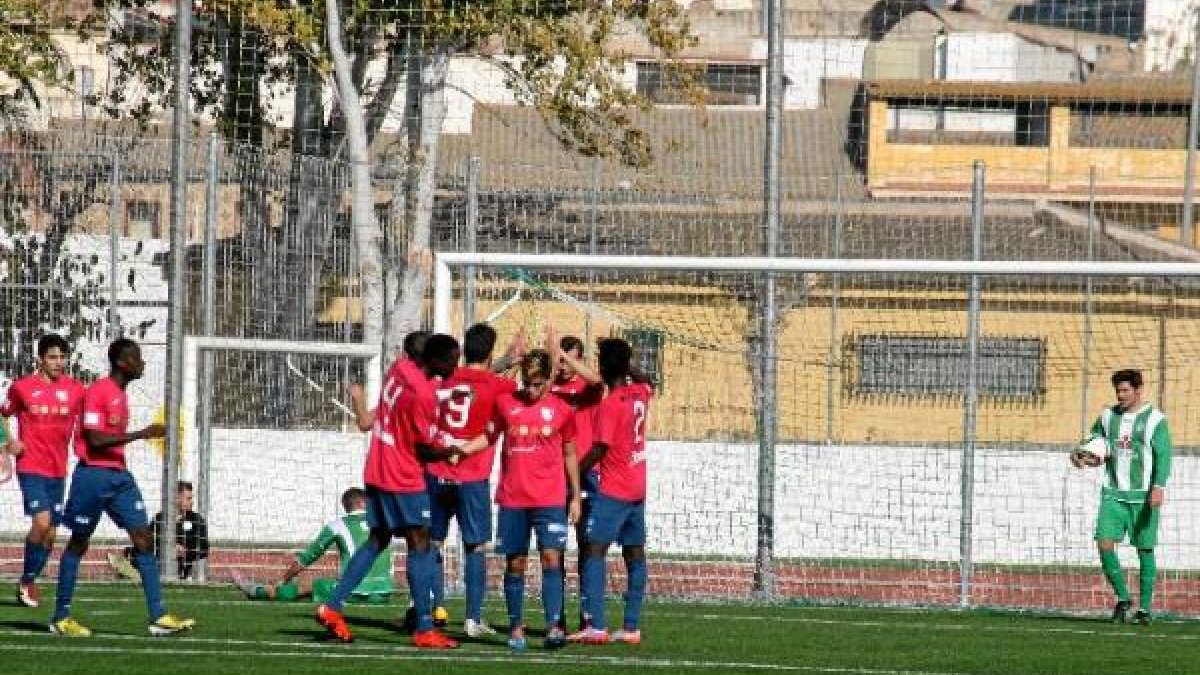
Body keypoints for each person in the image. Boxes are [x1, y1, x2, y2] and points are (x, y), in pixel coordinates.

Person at [314, 334, 485, 649]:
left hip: (377, 469)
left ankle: (332, 605)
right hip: (402, 476)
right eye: (452, 360)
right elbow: (424, 448)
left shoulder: (399, 369)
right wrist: (456, 450)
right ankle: (423, 627)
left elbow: (400, 406)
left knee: (378, 539)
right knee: (420, 544)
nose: (456, 365)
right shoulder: (423, 396)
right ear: (435, 361)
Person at [50, 338, 194, 637]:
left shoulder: (119, 394)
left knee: (143, 539)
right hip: (92, 476)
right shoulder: (99, 391)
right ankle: (61, 617)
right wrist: (142, 433)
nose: (142, 363)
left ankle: (159, 616)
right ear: (121, 362)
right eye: (136, 358)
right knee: (79, 542)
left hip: (119, 478)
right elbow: (95, 440)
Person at [426, 323, 517, 637]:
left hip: (436, 473)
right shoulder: (499, 386)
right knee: (475, 547)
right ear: (490, 354)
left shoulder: (443, 380)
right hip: (472, 476)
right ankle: (472, 618)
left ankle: (430, 608)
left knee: (430, 543)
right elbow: (510, 398)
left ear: (463, 350)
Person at [489, 349, 583, 651]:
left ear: (549, 380)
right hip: (513, 499)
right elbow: (489, 396)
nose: (531, 390)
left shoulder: (563, 410)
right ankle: (516, 627)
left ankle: (554, 626)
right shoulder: (506, 403)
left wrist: (575, 497)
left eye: (538, 383)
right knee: (515, 563)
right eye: (528, 383)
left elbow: (570, 453)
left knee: (551, 559)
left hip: (550, 498)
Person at [1072, 369, 1171, 625]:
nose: (1121, 394)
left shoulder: (1155, 420)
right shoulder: (1108, 416)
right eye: (1118, 390)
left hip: (1143, 497)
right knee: (1104, 544)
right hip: (1113, 494)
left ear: (1139, 390)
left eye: (1125, 390)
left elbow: (1164, 456)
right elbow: (1094, 440)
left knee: (1144, 550)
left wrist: (1159, 487)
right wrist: (1081, 454)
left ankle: (1145, 609)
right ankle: (1124, 597)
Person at [573, 338, 653, 645]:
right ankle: (631, 626)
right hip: (638, 486)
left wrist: (573, 471)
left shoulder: (609, 405)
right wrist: (625, 361)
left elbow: (600, 448)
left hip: (615, 488)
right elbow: (647, 379)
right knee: (634, 552)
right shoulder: (639, 394)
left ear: (605, 367)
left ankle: (597, 625)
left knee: (594, 549)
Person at [0, 334, 86, 609]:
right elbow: (2, 414)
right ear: (40, 359)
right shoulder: (23, 388)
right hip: (31, 466)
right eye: (52, 357)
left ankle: (30, 578)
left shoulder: (76, 390)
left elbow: (87, 423)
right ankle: (26, 580)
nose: (58, 362)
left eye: (62, 357)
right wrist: (7, 442)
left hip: (59, 471)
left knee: (50, 534)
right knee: (41, 522)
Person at [234, 487, 394, 604]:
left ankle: (256, 591)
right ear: (364, 502)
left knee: (307, 586)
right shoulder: (385, 521)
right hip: (385, 591)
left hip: (355, 592)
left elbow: (309, 556)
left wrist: (284, 579)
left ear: (347, 505)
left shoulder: (337, 526)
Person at [547, 331, 604, 631]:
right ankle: (557, 618)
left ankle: (588, 616)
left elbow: (597, 381)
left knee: (588, 546)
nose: (564, 366)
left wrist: (565, 355)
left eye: (570, 359)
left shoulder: (587, 388)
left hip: (587, 475)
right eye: (560, 359)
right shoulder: (546, 387)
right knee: (554, 548)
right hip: (554, 475)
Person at [108, 481, 210, 581]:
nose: (191, 502)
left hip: (181, 566)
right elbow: (150, 540)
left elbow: (204, 548)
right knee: (134, 550)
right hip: (159, 561)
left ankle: (138, 574)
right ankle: (133, 571)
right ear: (177, 498)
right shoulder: (160, 518)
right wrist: (167, 548)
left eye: (191, 498)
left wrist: (185, 551)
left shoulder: (196, 520)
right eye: (188, 498)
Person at [348, 331, 429, 433]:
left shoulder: (400, 389)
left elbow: (365, 423)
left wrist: (358, 397)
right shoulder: (442, 389)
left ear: (405, 356)